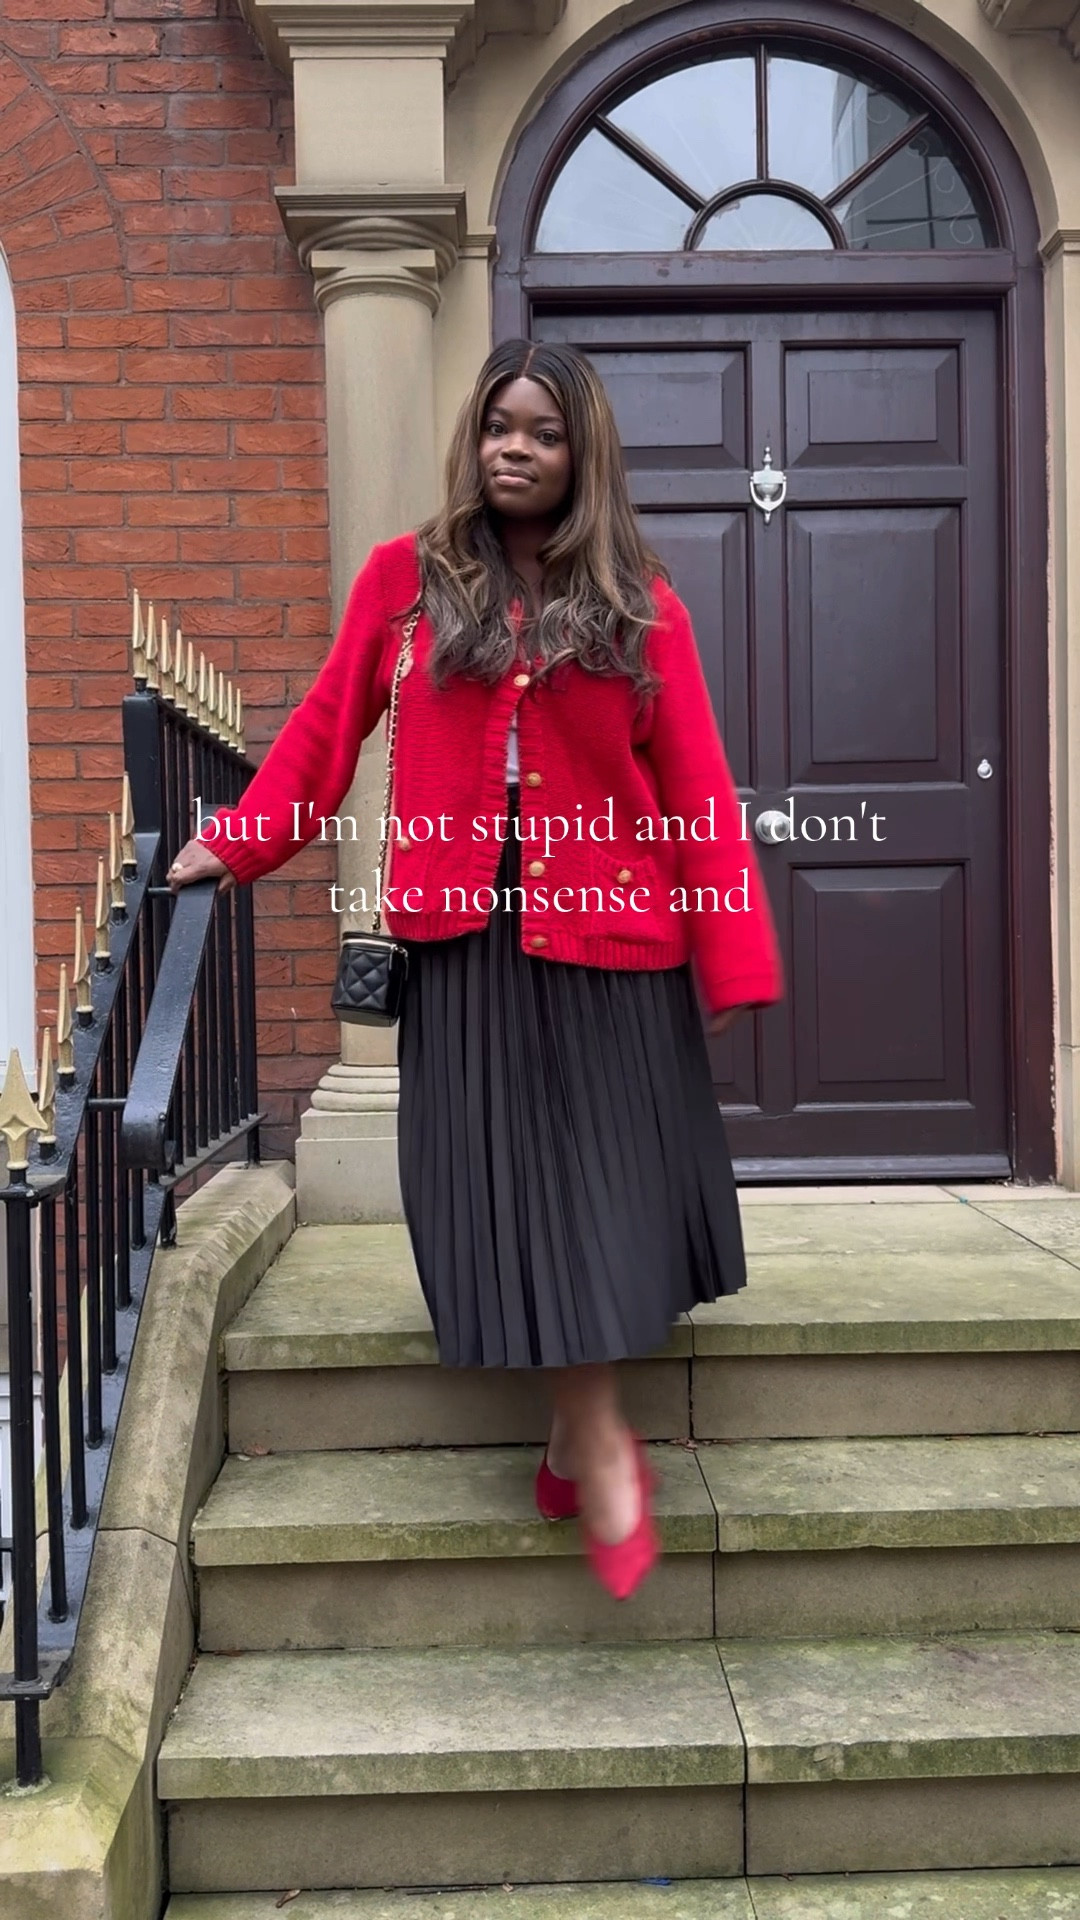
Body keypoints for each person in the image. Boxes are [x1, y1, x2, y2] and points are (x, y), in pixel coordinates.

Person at [166, 338, 783, 1602]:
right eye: (500, 425)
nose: (515, 447)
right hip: (465, 941)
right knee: (513, 1182)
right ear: (475, 435)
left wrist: (732, 954)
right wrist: (233, 843)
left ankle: (594, 1439)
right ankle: (581, 1437)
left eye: (543, 433)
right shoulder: (404, 581)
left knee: (606, 1181)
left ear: (581, 454)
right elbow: (327, 733)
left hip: (613, 936)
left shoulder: (641, 603)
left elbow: (697, 790)